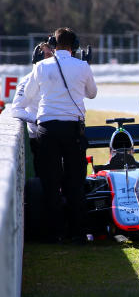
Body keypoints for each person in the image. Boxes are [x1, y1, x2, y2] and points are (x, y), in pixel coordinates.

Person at [18, 28, 97, 243]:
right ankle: (77, 232)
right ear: (76, 46)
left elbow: (28, 95)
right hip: (73, 129)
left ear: (53, 44)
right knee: (75, 181)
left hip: (47, 128)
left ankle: (55, 233)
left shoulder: (42, 66)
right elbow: (92, 93)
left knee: (50, 181)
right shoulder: (82, 66)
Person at [11, 41, 55, 175]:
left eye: (52, 55)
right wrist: (38, 120)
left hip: (57, 135)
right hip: (38, 139)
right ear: (38, 58)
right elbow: (16, 109)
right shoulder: (27, 80)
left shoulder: (58, 78)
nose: (52, 59)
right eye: (47, 55)